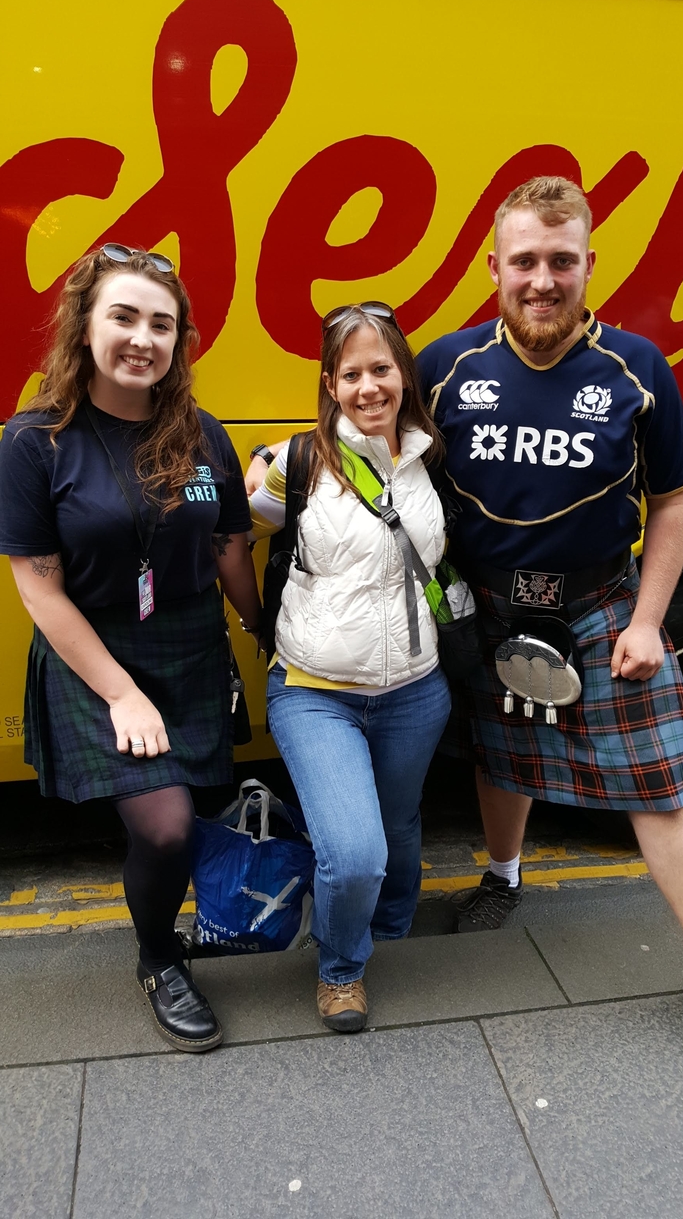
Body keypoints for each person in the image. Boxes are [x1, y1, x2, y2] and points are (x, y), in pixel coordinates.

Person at [415, 175, 683, 1073]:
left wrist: (648, 622)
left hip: (600, 604)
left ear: (589, 264)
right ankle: (503, 877)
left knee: (663, 785)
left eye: (560, 261)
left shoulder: (636, 367)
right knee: (501, 755)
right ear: (494, 268)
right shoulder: (444, 365)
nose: (541, 280)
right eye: (524, 262)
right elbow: (381, 461)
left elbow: (672, 500)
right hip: (487, 603)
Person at [0, 244, 262, 1053]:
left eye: (162, 324)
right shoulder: (34, 441)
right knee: (166, 825)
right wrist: (121, 693)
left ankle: (179, 922)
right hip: (94, 651)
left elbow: (228, 547)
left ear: (179, 339)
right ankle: (159, 959)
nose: (143, 339)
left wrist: (264, 629)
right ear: (84, 325)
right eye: (123, 317)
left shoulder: (203, 433)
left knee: (194, 810)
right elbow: (40, 590)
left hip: (190, 642)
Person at [248, 303, 452, 1032]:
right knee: (356, 852)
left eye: (382, 369)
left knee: (398, 825)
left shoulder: (432, 457)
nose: (369, 387)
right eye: (352, 373)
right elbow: (234, 530)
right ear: (330, 384)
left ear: (404, 375)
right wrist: (253, 620)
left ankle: (390, 929)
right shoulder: (300, 464)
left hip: (416, 691)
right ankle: (341, 969)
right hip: (314, 692)